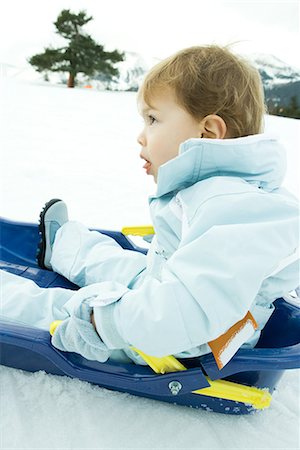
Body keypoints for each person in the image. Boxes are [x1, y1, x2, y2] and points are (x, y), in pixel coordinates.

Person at [1, 45, 299, 367]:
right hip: (169, 292)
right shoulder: (225, 192)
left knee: (60, 307)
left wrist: (102, 323)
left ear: (208, 132)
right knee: (125, 264)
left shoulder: (241, 212)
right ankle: (64, 245)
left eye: (153, 119)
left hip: (178, 339)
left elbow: (184, 310)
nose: (141, 137)